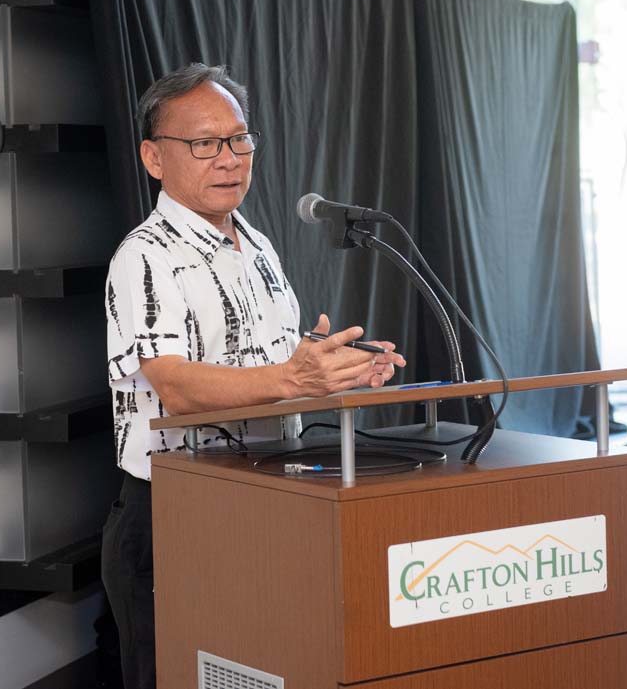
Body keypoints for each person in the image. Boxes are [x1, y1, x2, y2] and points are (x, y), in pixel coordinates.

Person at [101, 63, 406, 689]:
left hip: (264, 499)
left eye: (239, 139)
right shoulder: (145, 256)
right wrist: (295, 378)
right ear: (154, 158)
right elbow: (176, 385)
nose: (229, 158)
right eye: (204, 143)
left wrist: (332, 365)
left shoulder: (258, 246)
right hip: (174, 512)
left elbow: (265, 359)